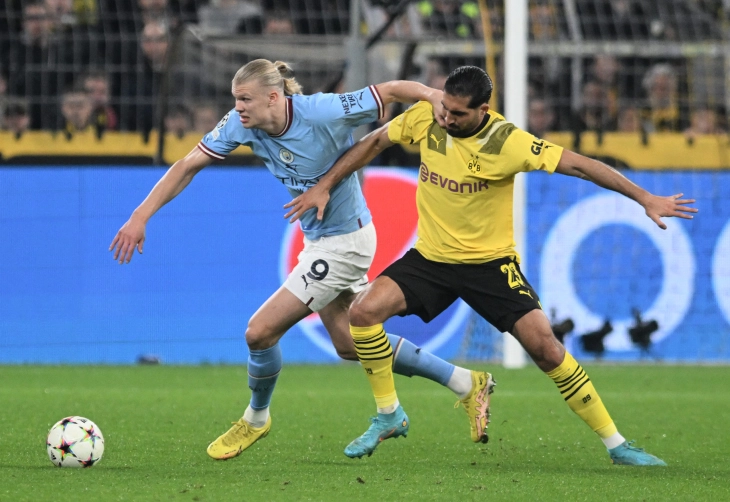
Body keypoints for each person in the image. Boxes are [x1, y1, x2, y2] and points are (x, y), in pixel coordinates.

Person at [284, 65, 698, 463]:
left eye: (458, 113)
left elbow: (581, 165)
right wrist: (324, 186)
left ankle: (617, 444)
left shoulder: (508, 141)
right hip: (432, 258)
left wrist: (645, 198)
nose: (446, 117)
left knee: (547, 349)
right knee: (362, 313)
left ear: (483, 110)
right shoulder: (428, 116)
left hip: (490, 265)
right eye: (444, 106)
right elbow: (374, 142)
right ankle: (389, 414)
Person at [109, 59, 494, 461]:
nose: (238, 108)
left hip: (346, 242)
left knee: (259, 332)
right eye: (235, 99)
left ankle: (256, 418)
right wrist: (140, 215)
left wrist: (434, 96)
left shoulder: (321, 111)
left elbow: (391, 90)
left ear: (274, 97)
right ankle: (466, 382)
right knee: (349, 343)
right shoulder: (240, 124)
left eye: (245, 99)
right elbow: (188, 165)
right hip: (321, 240)